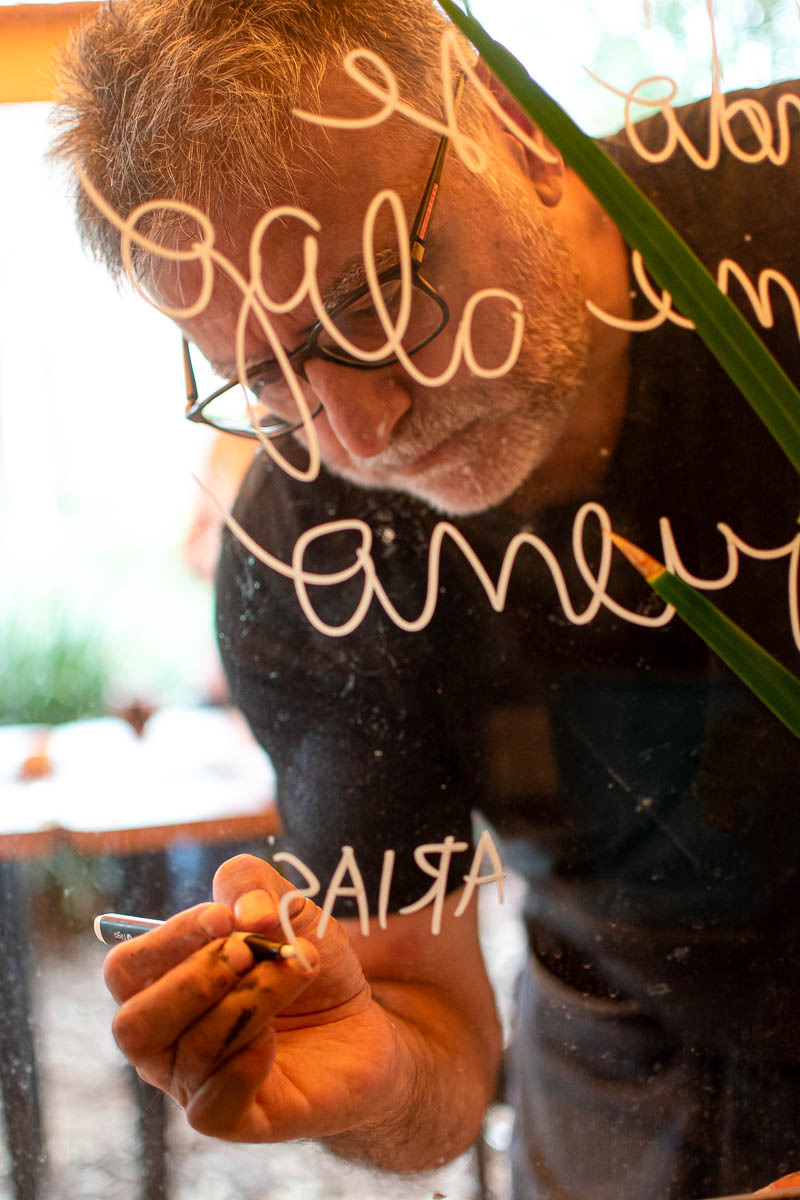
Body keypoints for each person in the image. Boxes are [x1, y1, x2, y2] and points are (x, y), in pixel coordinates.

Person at [52, 1, 800, 1196]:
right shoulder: (307, 554)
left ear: (512, 122)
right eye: (266, 373)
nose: (359, 432)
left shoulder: (776, 204)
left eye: (374, 300)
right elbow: (430, 1037)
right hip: (617, 1048)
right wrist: (368, 1075)